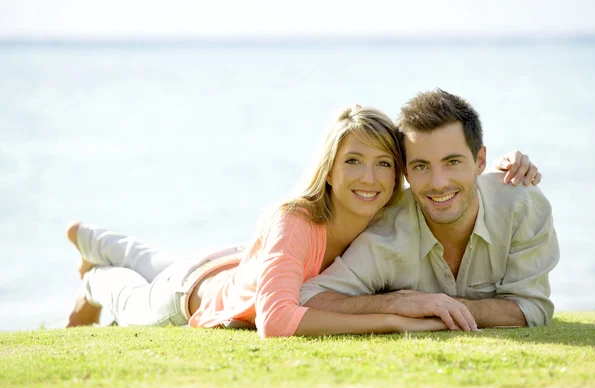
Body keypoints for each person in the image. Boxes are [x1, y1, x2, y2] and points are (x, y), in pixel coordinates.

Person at [65, 104, 540, 338]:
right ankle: (92, 278)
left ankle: (92, 238)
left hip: (232, 263)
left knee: (149, 256)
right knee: (129, 295)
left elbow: (442, 173)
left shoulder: (399, 204)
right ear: (328, 169)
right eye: (353, 161)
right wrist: (395, 319)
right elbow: (276, 322)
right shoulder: (296, 221)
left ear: (399, 174)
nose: (368, 177)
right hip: (192, 296)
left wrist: (505, 168)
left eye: (383, 164)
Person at [300, 89, 559, 331]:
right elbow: (309, 297)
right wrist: (396, 303)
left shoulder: (521, 205)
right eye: (421, 166)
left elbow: (532, 308)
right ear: (405, 172)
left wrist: (439, 308)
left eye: (452, 162)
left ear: (480, 161)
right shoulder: (386, 234)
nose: (438, 184)